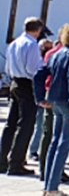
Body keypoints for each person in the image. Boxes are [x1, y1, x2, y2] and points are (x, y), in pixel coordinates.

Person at [33, 23, 69, 195]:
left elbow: (39, 74)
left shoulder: (57, 54)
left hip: (55, 100)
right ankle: (52, 188)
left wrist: (40, 97)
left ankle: (48, 184)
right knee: (64, 144)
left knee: (54, 141)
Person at [0, 17, 45, 175]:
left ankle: (2, 160)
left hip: (15, 82)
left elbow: (7, 67)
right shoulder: (31, 45)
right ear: (38, 30)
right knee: (25, 125)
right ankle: (16, 162)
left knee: (11, 123)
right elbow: (32, 69)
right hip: (27, 84)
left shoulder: (14, 43)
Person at [28, 38, 53, 162]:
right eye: (46, 47)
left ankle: (35, 150)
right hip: (37, 92)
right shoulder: (39, 59)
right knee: (38, 124)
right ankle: (33, 150)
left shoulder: (47, 58)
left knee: (40, 124)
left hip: (44, 93)